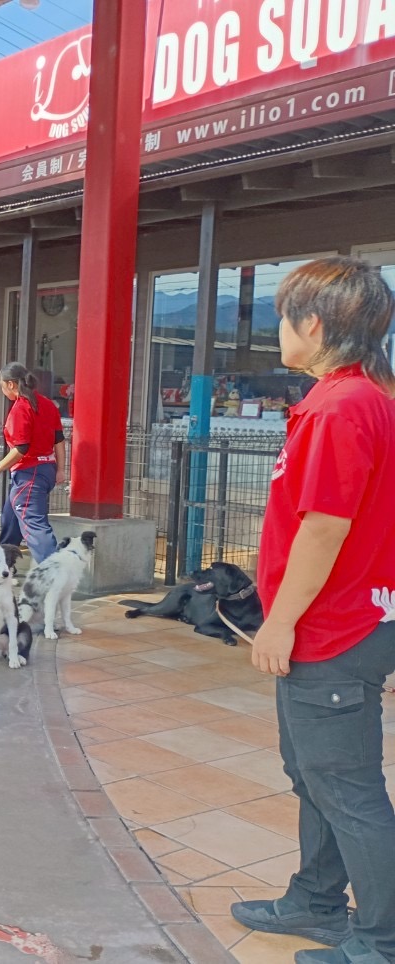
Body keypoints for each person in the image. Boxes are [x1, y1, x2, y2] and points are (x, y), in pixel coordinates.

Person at [228, 257, 395, 964]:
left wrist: (280, 622)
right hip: (354, 620)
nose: (279, 332)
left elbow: (324, 528)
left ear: (315, 325)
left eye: (282, 318)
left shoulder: (341, 406)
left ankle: (380, 941)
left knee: (348, 789)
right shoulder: (364, 397)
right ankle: (316, 900)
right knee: (315, 774)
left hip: (333, 628)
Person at [0, 363, 66, 563]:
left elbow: (21, 448)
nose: (3, 391)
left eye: (2, 386)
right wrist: (60, 469)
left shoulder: (21, 408)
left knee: (35, 526)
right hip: (46, 469)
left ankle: (52, 570)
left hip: (29, 474)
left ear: (11, 384)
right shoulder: (47, 404)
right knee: (11, 518)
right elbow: (59, 439)